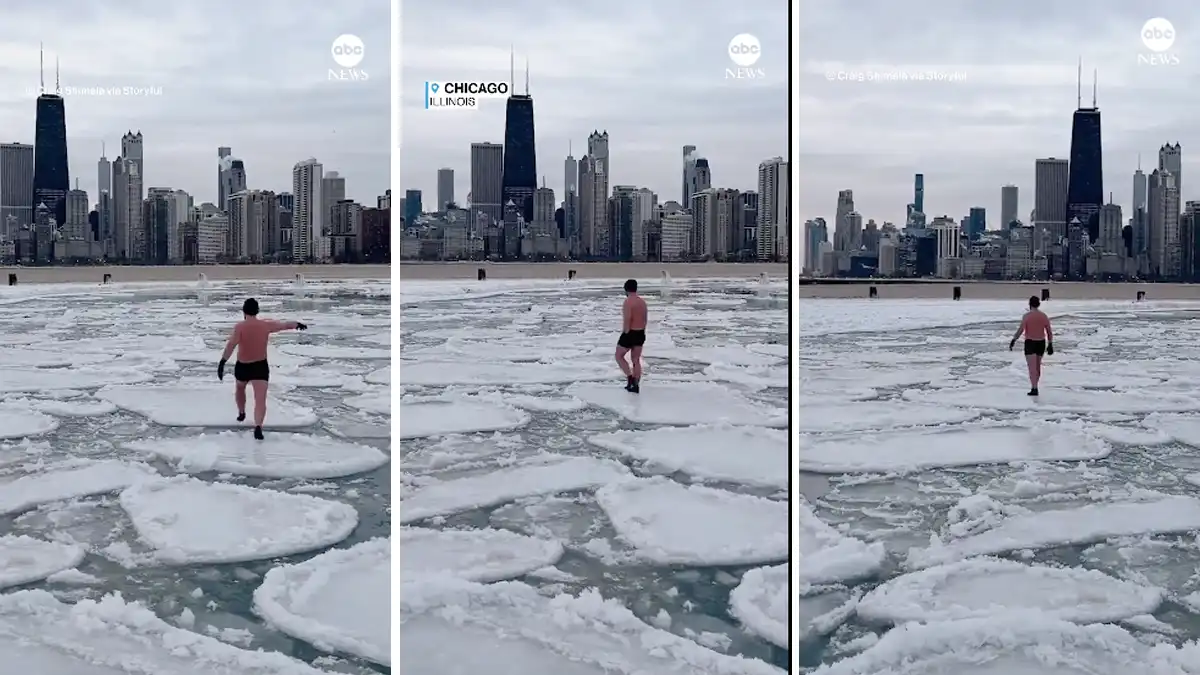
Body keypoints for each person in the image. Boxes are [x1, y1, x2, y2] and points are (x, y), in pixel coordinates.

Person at [218, 298, 307, 439]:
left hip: (243, 366)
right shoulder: (265, 325)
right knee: (260, 399)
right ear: (257, 311)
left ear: (244, 311)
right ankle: (258, 426)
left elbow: (231, 345)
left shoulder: (240, 327)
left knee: (240, 388)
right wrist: (297, 324)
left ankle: (241, 413)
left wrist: (223, 362)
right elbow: (283, 325)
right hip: (260, 366)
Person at [1009, 295, 1054, 396]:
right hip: (1041, 343)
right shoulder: (1043, 316)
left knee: (1032, 367)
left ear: (1030, 304)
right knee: (1037, 366)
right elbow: (1049, 332)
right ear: (1038, 304)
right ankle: (1035, 385)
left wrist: (1014, 340)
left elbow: (1020, 330)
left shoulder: (1027, 316)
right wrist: (1050, 343)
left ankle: (1034, 388)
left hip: (1030, 343)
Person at [616, 279, 648, 393]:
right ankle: (636, 384)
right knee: (636, 360)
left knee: (619, 356)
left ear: (626, 289)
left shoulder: (628, 302)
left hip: (630, 332)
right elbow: (645, 318)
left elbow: (628, 318)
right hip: (640, 332)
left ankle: (629, 378)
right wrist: (642, 331)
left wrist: (625, 332)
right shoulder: (642, 302)